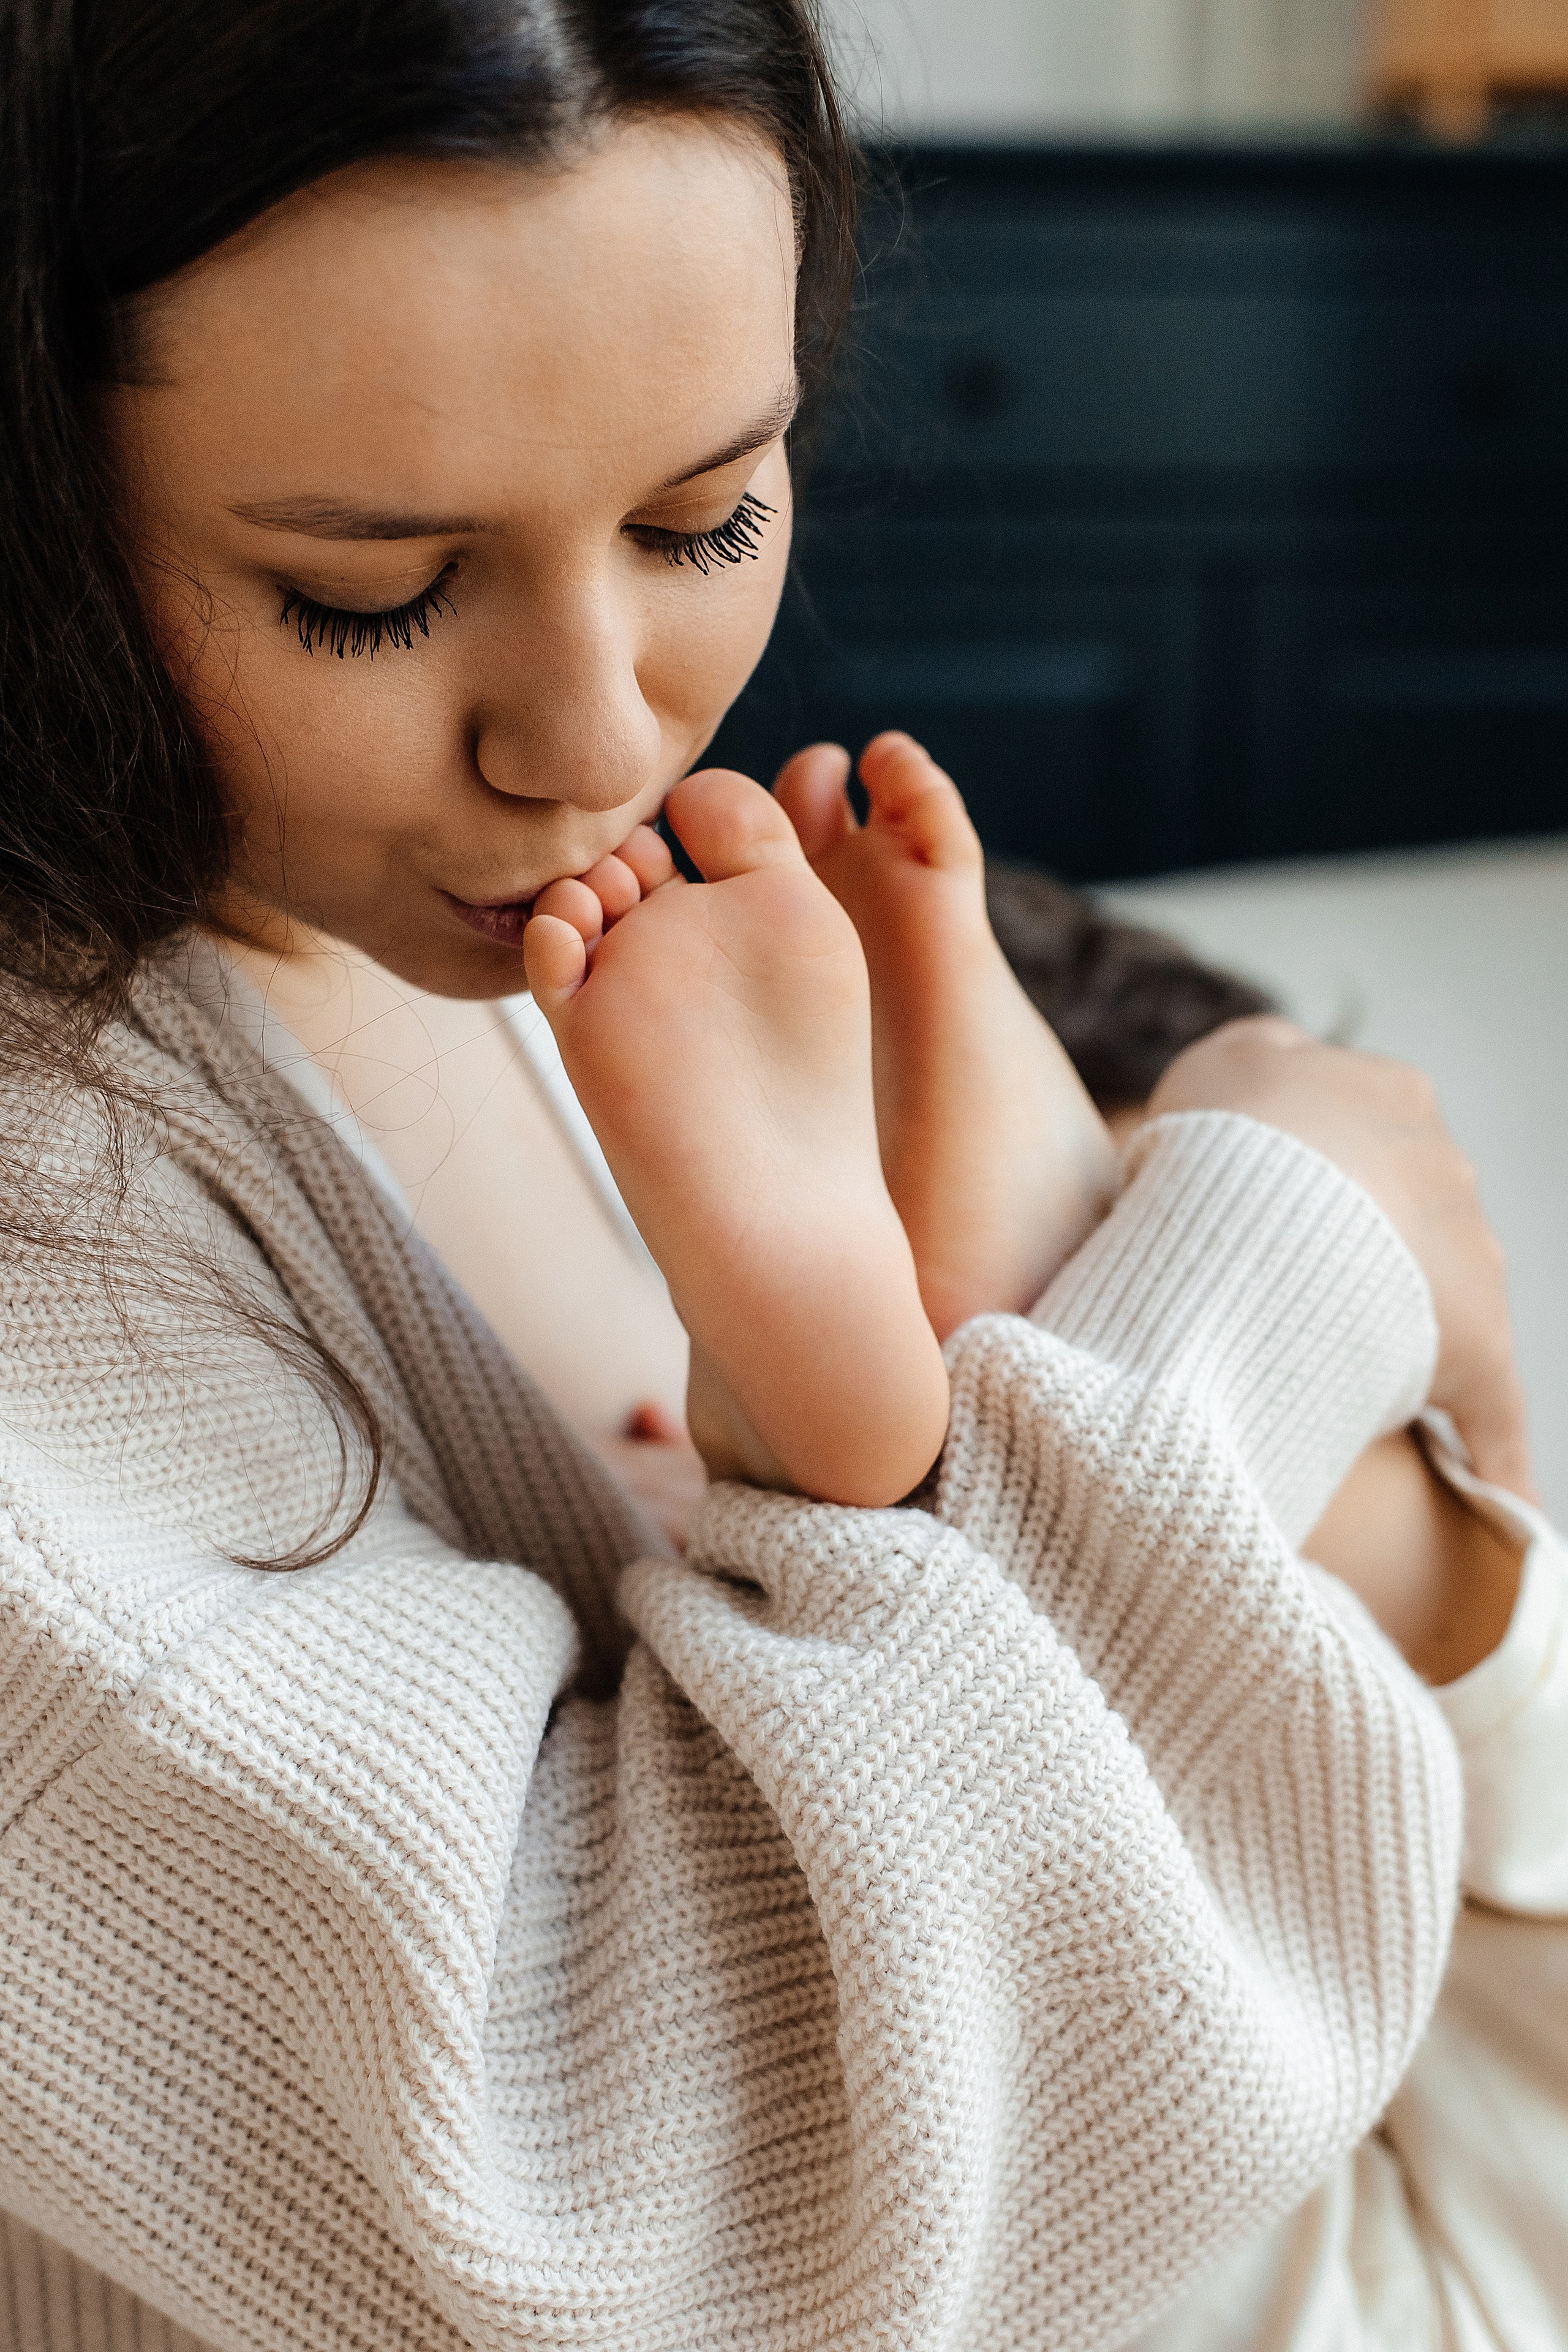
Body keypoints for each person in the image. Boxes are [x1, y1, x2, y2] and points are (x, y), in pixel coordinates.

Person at [0, 6, 1526, 2351]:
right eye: (368, 591)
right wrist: (1258, 1292)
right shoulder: (65, 1188)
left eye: (703, 516)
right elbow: (642, 2209)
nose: (596, 740)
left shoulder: (527, 932)